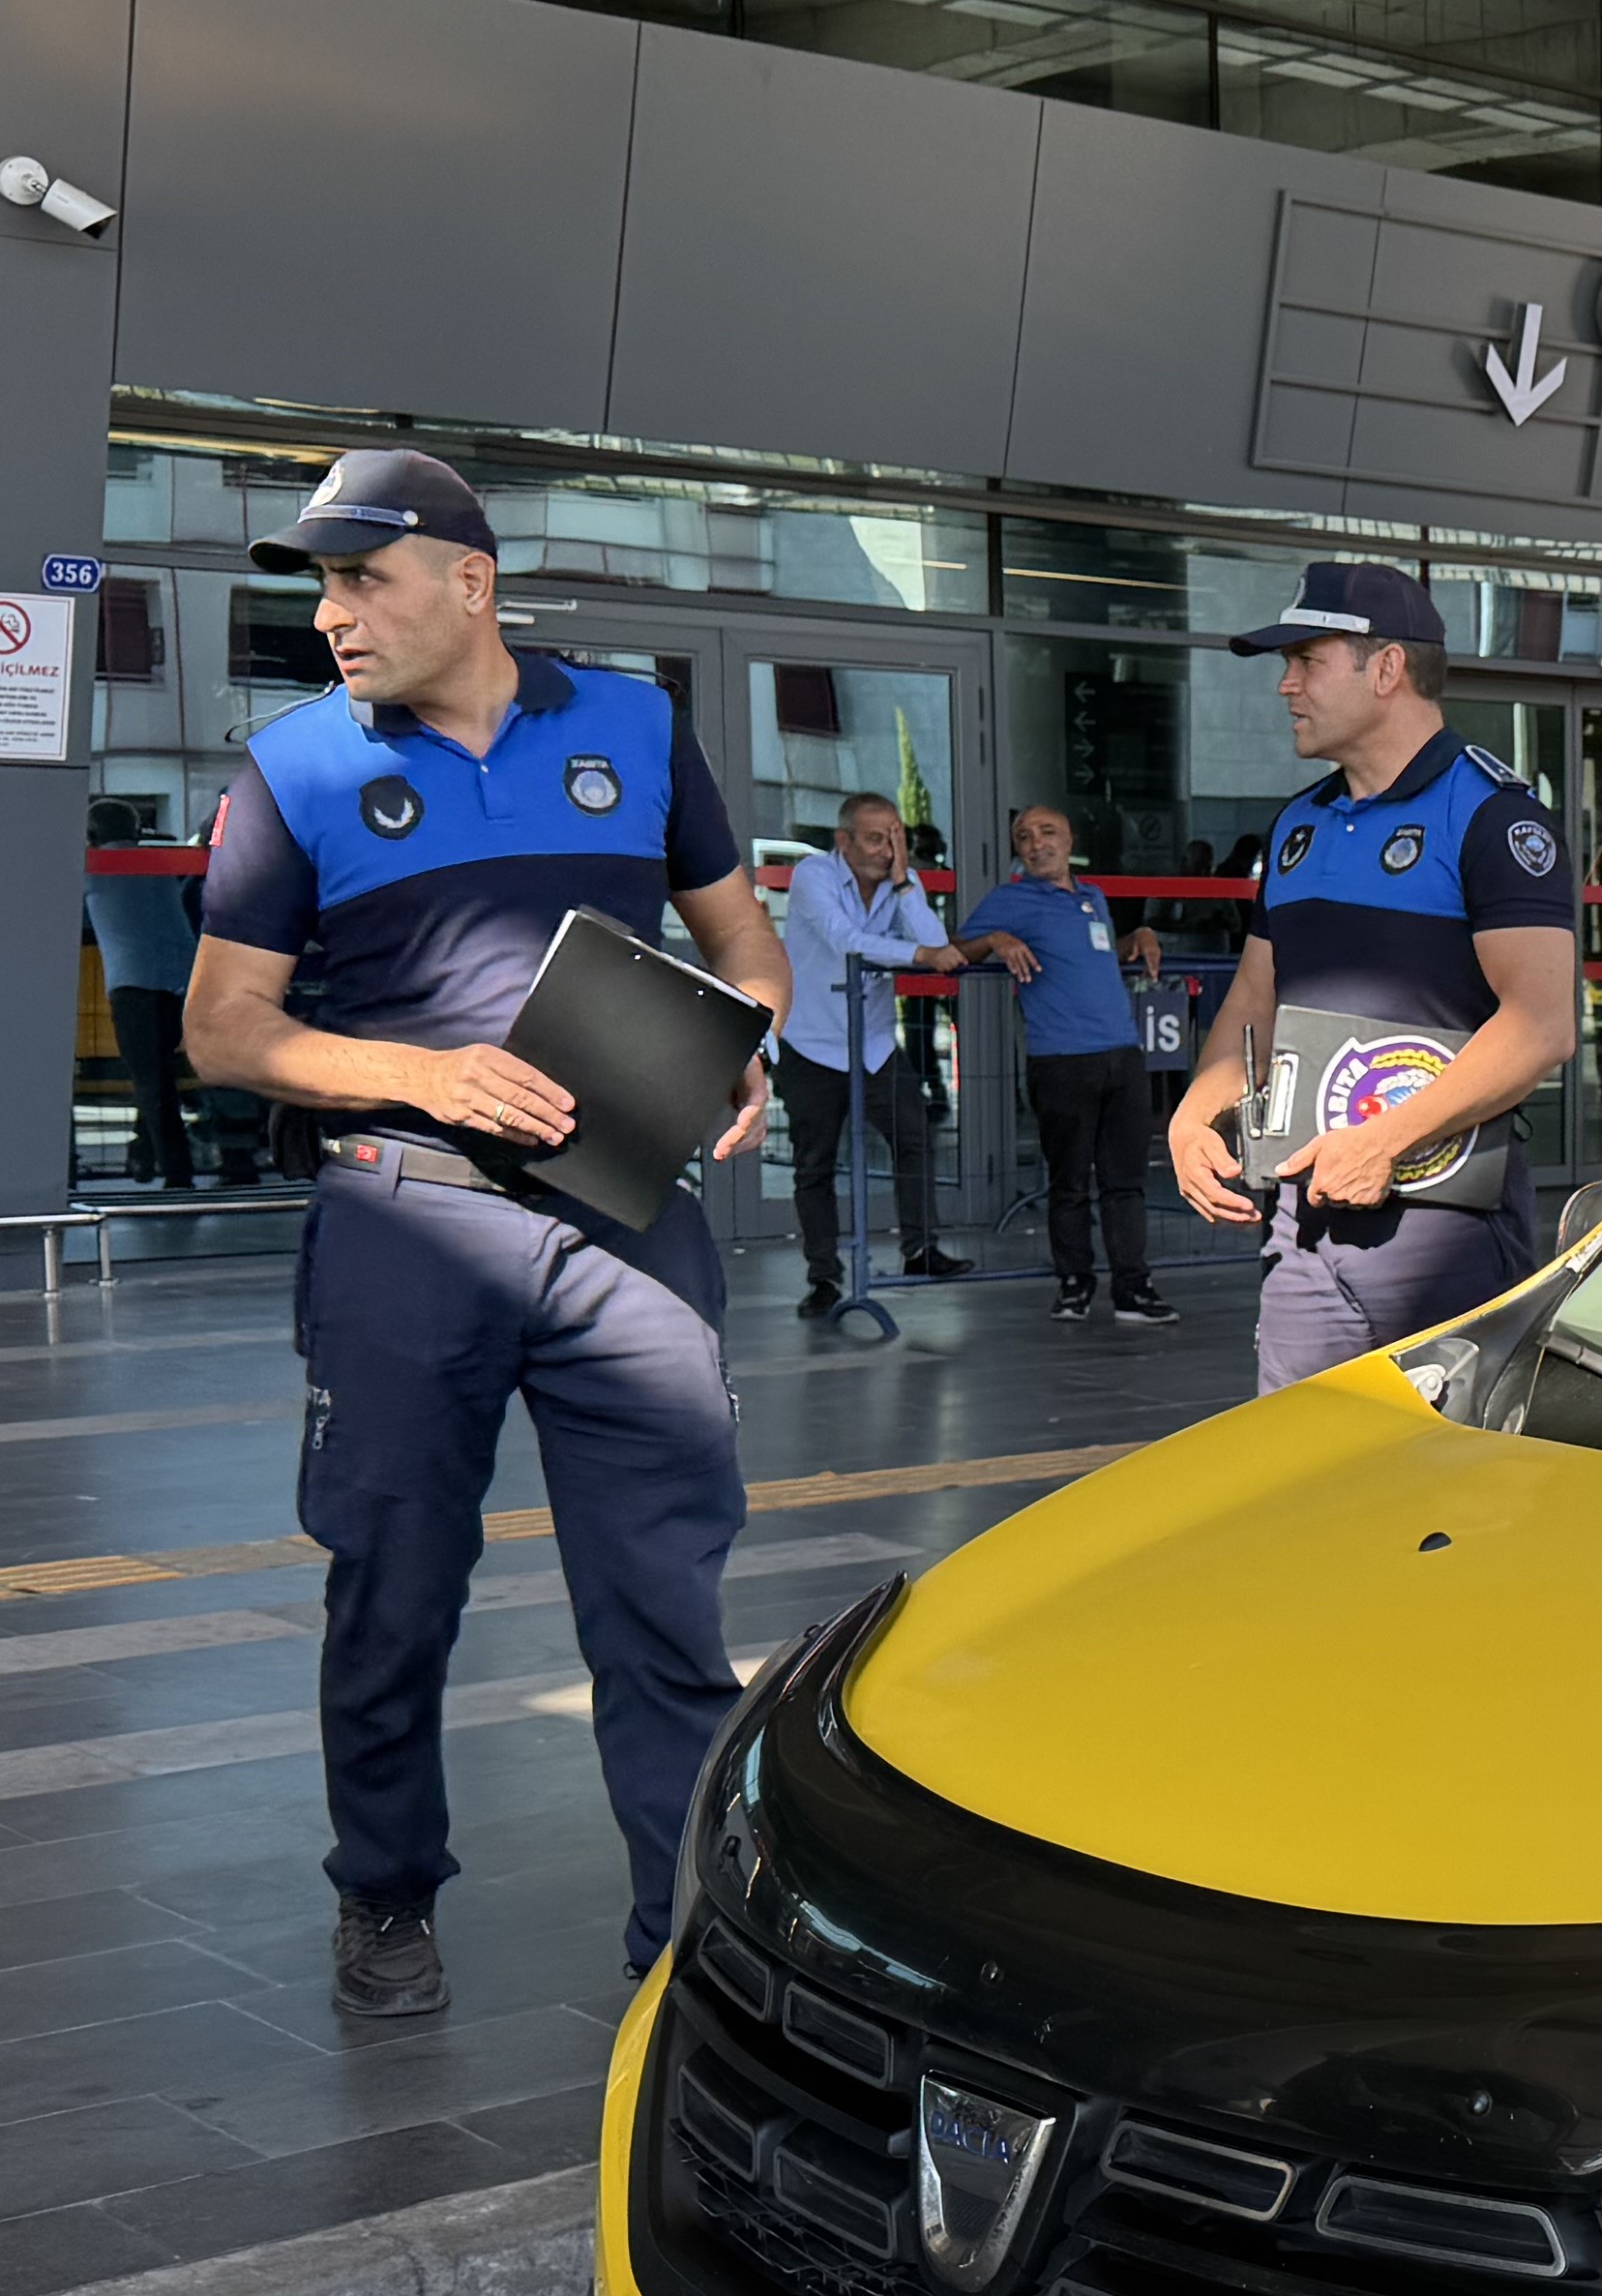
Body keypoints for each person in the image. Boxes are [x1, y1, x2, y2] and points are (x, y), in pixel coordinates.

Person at [182, 446, 788, 2026]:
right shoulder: (294, 770)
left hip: (623, 1222)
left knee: (664, 1599)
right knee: (393, 1587)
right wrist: (422, 1072)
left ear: (470, 581)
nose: (332, 615)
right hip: (406, 1219)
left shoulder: (636, 725)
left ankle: (681, 1938)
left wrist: (749, 1036)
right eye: (321, 587)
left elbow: (741, 936)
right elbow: (224, 1030)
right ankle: (384, 1887)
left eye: (360, 580)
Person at [1170, 562, 1577, 1390]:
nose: (1285, 685)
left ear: (1387, 668)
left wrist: (1383, 1141)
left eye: (1307, 661)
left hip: (1445, 1231)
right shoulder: (1296, 825)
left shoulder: (1492, 816)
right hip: (1304, 1226)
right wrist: (1191, 1115)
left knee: (1449, 1468)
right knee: (1299, 1459)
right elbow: (1255, 996)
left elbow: (1541, 1028)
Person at [959, 801, 1176, 1326]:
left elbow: (1098, 955)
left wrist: (1139, 936)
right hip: (1060, 1058)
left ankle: (1132, 1286)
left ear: (1069, 839)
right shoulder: (1010, 899)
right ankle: (1075, 1283)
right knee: (1070, 1181)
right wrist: (995, 939)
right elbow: (957, 950)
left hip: (1121, 1053)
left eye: (1047, 832)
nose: (1036, 844)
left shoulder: (1092, 897)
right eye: (1024, 836)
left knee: (1126, 1181)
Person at [775, 785, 963, 1315]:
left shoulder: (900, 882)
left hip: (874, 1043)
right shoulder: (813, 875)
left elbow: (936, 941)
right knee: (814, 1165)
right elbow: (845, 941)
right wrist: (920, 954)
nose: (887, 850)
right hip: (812, 1043)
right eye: (877, 839)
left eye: (895, 839)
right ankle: (825, 1278)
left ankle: (921, 1250)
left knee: (914, 1138)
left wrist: (904, 884)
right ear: (844, 841)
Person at [86, 802, 208, 1186]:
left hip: (134, 984)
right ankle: (142, 1155)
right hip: (183, 981)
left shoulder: (92, 870)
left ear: (92, 835)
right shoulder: (158, 864)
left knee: (151, 1081)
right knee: (157, 1075)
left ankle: (177, 1173)